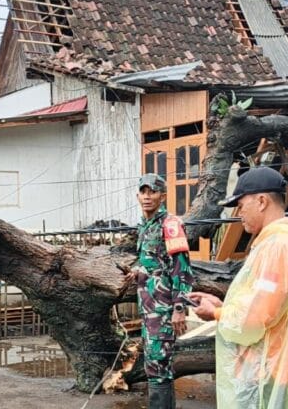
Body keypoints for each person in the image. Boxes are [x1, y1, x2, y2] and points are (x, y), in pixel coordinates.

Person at [190, 167, 288, 409]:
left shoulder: (279, 247)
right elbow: (268, 303)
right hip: (283, 361)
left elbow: (256, 319)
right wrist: (223, 306)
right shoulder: (283, 241)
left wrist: (214, 313)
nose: (239, 213)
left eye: (241, 204)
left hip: (274, 366)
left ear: (262, 201)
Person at [126, 173, 194, 409]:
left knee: (158, 364)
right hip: (148, 308)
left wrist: (179, 308)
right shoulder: (146, 225)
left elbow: (182, 268)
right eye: (143, 191)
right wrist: (138, 270)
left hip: (163, 309)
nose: (147, 196)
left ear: (163, 196)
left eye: (152, 191)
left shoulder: (171, 225)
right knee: (155, 364)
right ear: (138, 195)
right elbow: (154, 260)